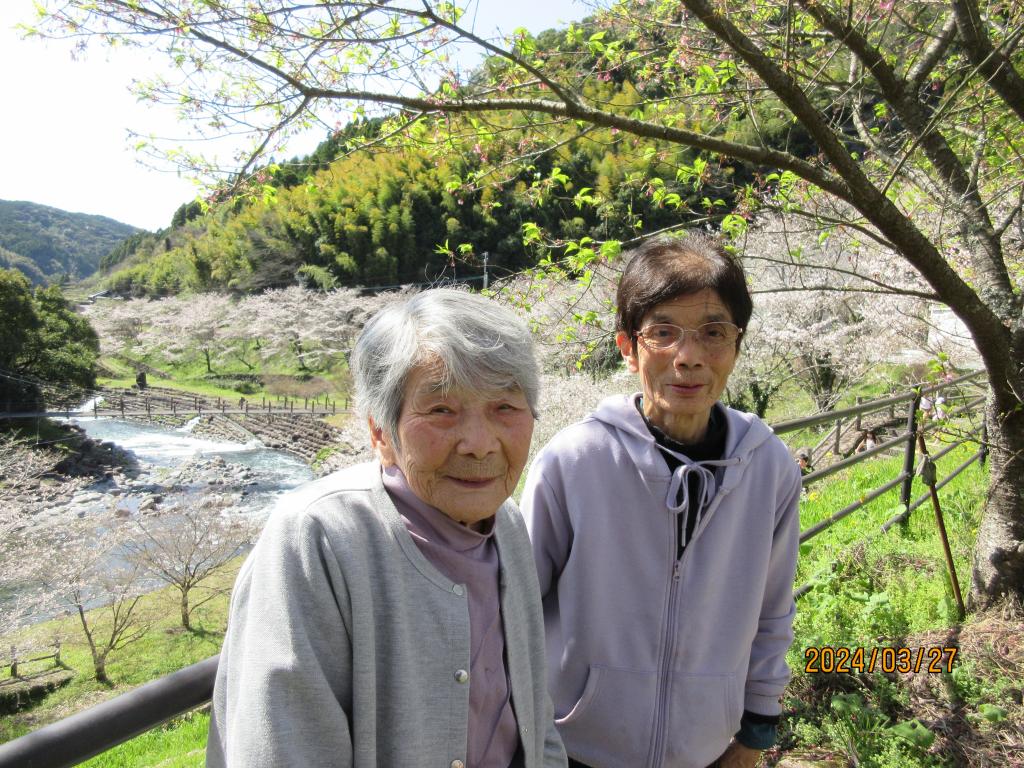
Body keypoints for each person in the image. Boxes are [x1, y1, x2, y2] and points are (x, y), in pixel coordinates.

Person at [207, 288, 566, 768]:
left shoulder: (508, 524)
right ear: (381, 433)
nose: (479, 445)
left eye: (504, 408)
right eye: (442, 410)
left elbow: (537, 722)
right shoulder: (318, 539)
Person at [522, 235, 802, 768]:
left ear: (736, 346)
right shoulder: (575, 460)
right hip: (575, 749)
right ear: (629, 348)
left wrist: (756, 731)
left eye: (713, 334)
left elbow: (772, 609)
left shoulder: (769, 468)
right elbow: (515, 608)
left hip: (708, 750)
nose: (689, 357)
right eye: (663, 333)